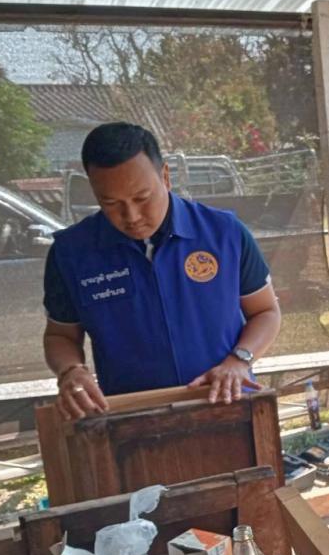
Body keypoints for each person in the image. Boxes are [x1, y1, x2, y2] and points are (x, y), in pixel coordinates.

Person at [42, 122, 281, 420]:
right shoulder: (72, 253)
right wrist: (71, 371)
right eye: (110, 202)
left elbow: (265, 312)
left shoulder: (224, 234)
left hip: (226, 406)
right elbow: (60, 335)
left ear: (165, 176)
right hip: (130, 420)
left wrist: (239, 361)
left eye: (142, 198)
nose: (131, 216)